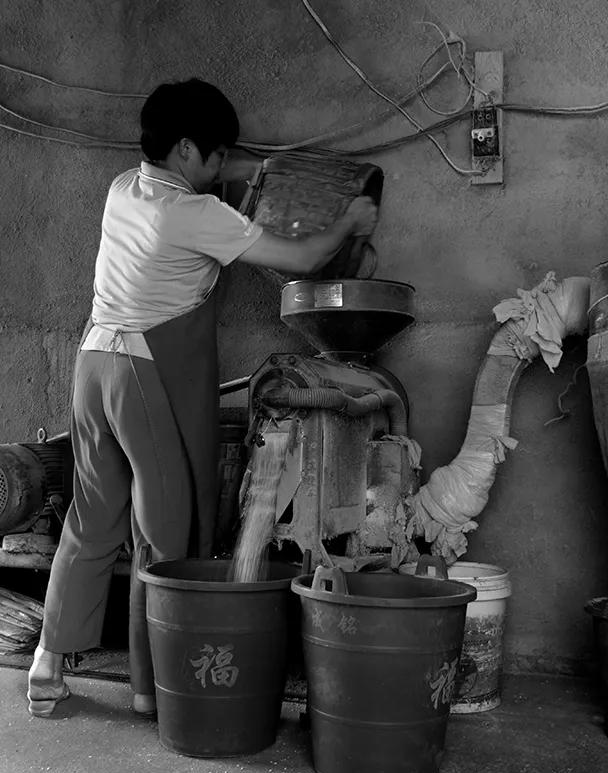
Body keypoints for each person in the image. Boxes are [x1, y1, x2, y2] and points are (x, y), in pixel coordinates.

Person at [26, 78, 378, 718]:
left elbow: (217, 177)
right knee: (164, 532)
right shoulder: (197, 214)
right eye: (217, 156)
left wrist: (250, 167)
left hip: (93, 367)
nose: (223, 170)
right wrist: (349, 220)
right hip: (143, 377)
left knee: (91, 516)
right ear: (188, 149)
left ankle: (48, 664)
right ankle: (151, 685)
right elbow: (299, 259)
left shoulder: (123, 190)